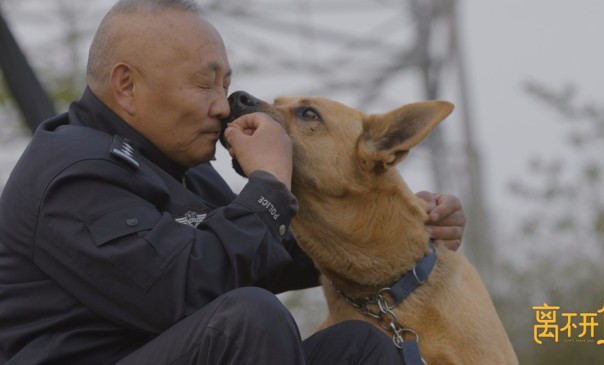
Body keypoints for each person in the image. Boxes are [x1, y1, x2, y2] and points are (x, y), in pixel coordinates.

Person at [0, 0, 466, 364]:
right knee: (246, 321)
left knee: (356, 349)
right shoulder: (71, 173)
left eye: (225, 86)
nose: (223, 106)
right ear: (126, 86)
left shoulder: (180, 165)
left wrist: (399, 226)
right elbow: (182, 292)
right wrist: (266, 185)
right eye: (204, 85)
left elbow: (271, 255)